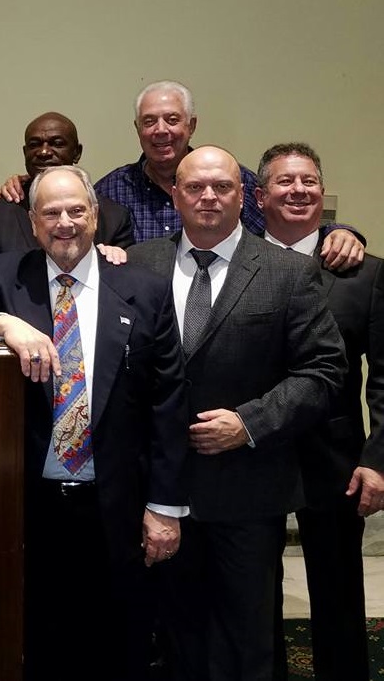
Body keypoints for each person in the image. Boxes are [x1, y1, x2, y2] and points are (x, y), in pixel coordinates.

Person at [0, 165, 187, 681]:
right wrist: (4, 323)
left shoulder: (144, 288)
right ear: (33, 222)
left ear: (96, 216)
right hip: (30, 507)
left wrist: (165, 507)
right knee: (38, 641)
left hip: (117, 505)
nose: (65, 223)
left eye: (76, 211)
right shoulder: (6, 276)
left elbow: (168, 403)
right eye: (51, 213)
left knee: (118, 644)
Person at [129, 145, 346, 681]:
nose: (208, 197)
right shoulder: (136, 264)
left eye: (222, 187)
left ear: (244, 196)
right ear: (174, 195)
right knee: (173, 640)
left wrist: (250, 422)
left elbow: (323, 371)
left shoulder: (289, 272)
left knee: (246, 645)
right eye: (195, 187)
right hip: (159, 491)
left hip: (249, 491)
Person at [0, 80, 363, 269]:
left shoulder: (234, 180)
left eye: (172, 119)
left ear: (192, 125)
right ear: (137, 129)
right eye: (149, 121)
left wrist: (339, 231)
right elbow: (68, 219)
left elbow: (284, 220)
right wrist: (30, 185)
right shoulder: (111, 190)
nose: (161, 131)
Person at [255, 142, 384, 681]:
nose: (298, 190)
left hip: (335, 459)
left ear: (322, 192)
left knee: (338, 591)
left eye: (308, 180)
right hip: (252, 453)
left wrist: (377, 459)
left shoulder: (366, 275)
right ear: (259, 197)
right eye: (284, 181)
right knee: (254, 593)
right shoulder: (235, 266)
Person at [0, 111, 134, 288]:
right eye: (34, 145)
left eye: (57, 144)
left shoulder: (114, 217)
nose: (44, 152)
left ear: (77, 152)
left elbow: (125, 285)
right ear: (25, 152)